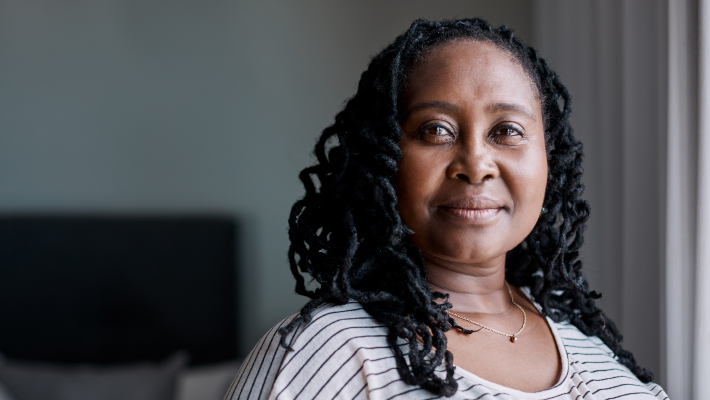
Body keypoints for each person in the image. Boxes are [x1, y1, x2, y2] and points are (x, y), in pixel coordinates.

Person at [225, 18, 669, 399]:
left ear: (549, 161)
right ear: (382, 161)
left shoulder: (591, 347)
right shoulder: (327, 350)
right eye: (435, 130)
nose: (475, 165)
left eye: (507, 130)